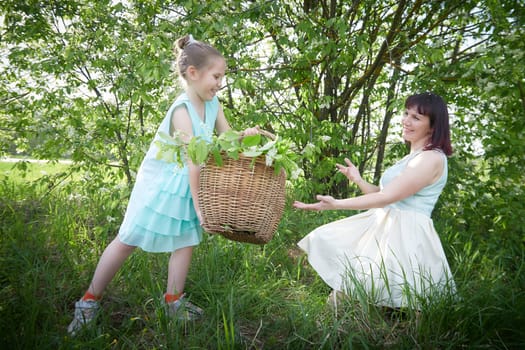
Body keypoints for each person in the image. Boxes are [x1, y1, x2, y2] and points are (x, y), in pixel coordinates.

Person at [68, 34, 259, 335]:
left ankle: (173, 301)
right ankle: (89, 299)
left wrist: (244, 135)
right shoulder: (181, 110)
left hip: (187, 184)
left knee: (185, 241)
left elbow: (226, 138)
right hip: (161, 186)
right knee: (128, 239)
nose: (220, 83)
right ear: (193, 73)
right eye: (216, 76)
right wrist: (200, 206)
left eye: (222, 77)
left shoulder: (214, 104)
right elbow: (194, 159)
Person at [293, 92, 454, 310]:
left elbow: (386, 197)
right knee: (349, 290)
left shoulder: (431, 158)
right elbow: (382, 192)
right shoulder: (413, 157)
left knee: (411, 304)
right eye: (406, 113)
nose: (406, 120)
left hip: (406, 235)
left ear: (433, 127)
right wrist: (358, 179)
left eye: (416, 117)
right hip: (385, 227)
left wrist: (337, 203)